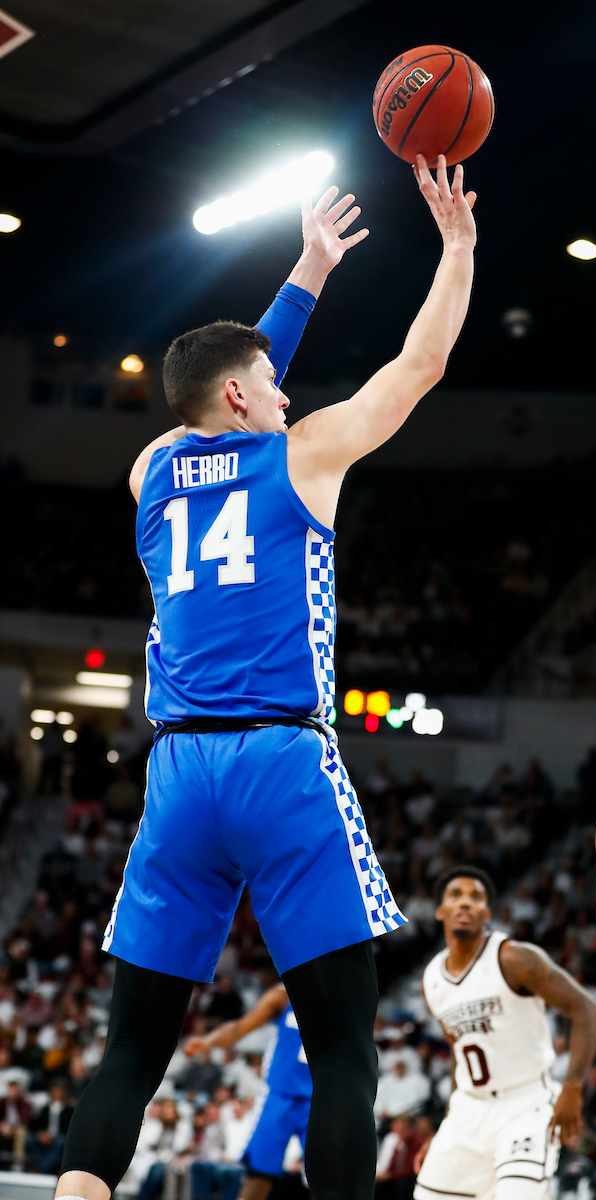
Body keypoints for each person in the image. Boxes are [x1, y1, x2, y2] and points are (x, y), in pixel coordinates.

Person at [56, 153, 477, 1200]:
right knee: (342, 1050)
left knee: (129, 1057)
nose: (290, 395)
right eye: (275, 385)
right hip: (281, 762)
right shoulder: (305, 456)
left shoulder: (150, 470)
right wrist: (458, 247)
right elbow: (415, 369)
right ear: (247, 394)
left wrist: (306, 274)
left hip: (177, 775)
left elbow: (218, 394)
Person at [414, 866, 596, 1200]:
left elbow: (586, 1009)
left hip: (525, 1103)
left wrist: (572, 1089)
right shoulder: (431, 979)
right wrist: (448, 1124)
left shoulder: (514, 958)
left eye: (476, 897)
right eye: (455, 895)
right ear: (440, 910)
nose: (465, 903)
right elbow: (462, 1055)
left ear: (487, 912)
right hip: (467, 1112)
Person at [184, 981, 310, 1200]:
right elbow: (239, 1028)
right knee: (258, 1177)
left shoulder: (340, 992)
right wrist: (207, 1042)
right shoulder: (283, 995)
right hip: (278, 1095)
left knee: (327, 1181)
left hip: (320, 1098)